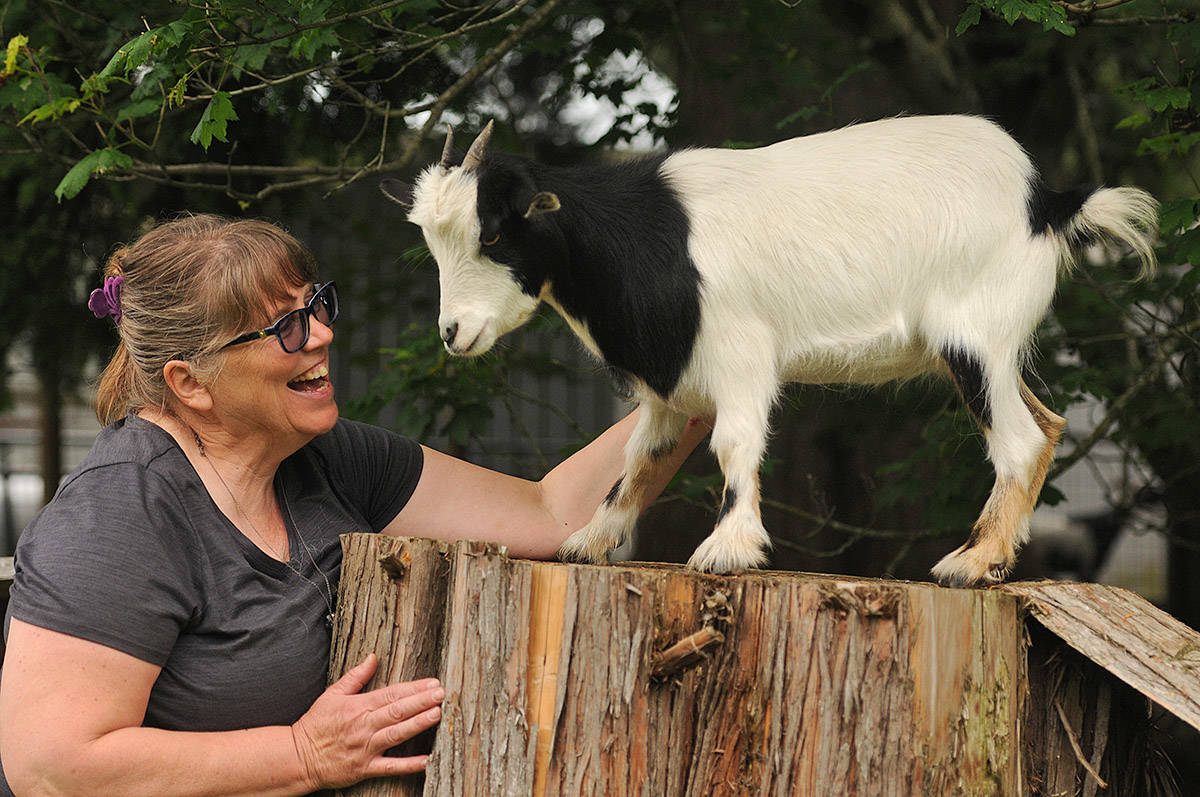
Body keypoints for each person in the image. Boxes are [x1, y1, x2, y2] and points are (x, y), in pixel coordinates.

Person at [0, 214, 707, 795]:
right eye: (285, 327)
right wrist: (304, 753)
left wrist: (702, 385)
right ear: (190, 383)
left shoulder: (327, 456)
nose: (322, 334)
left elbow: (554, 514)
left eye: (316, 305)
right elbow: (50, 768)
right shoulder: (119, 517)